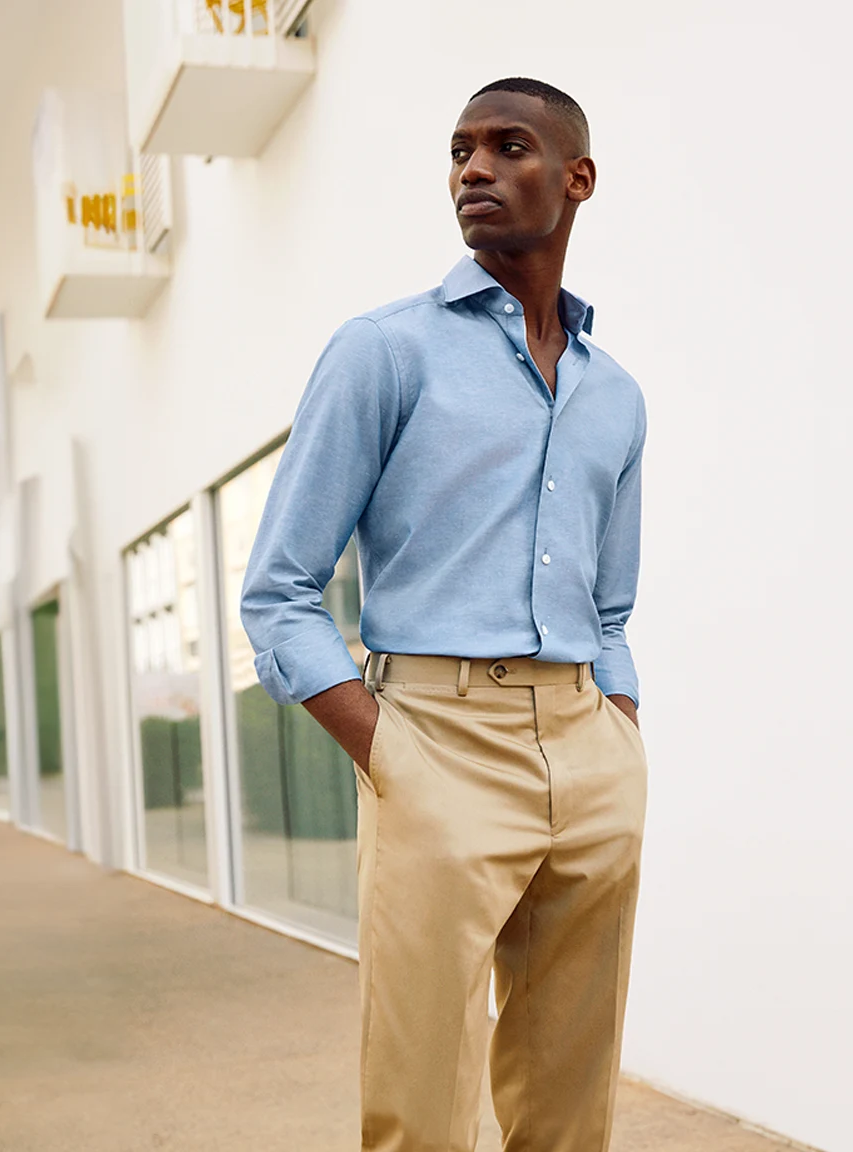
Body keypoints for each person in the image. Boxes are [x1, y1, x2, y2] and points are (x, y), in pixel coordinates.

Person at [241, 77, 647, 1152]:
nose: (473, 169)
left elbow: (612, 606)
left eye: (509, 147)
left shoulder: (617, 394)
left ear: (577, 178)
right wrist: (390, 754)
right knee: (420, 1100)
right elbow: (279, 593)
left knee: (572, 1098)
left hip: (588, 754)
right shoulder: (384, 351)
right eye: (460, 150)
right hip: (434, 742)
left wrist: (618, 728)